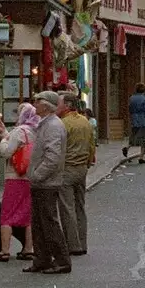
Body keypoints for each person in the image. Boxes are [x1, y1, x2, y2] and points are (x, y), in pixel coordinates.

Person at [25, 91, 71, 274]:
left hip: (47, 183)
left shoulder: (52, 126)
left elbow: (52, 157)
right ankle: (42, 259)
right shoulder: (46, 124)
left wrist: (36, 175)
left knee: (49, 222)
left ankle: (61, 260)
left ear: (46, 106)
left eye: (38, 102)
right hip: (42, 182)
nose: (34, 104)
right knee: (39, 223)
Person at [0, 103, 38, 262]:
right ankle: (28, 248)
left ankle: (4, 251)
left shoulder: (19, 131)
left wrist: (3, 140)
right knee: (27, 214)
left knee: (7, 214)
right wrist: (5, 133)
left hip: (15, 176)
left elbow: (7, 151)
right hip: (29, 177)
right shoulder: (35, 131)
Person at [57, 92, 94, 256]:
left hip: (67, 168)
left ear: (66, 106)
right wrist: (88, 161)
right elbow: (92, 144)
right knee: (80, 206)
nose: (57, 106)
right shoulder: (85, 122)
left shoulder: (63, 124)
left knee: (67, 208)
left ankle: (73, 244)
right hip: (82, 168)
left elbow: (59, 148)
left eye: (59, 104)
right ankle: (82, 241)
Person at [123, 83, 145, 164]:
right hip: (143, 120)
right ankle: (141, 157)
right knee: (144, 140)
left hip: (134, 120)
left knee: (133, 136)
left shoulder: (131, 98)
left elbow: (130, 108)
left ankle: (127, 147)